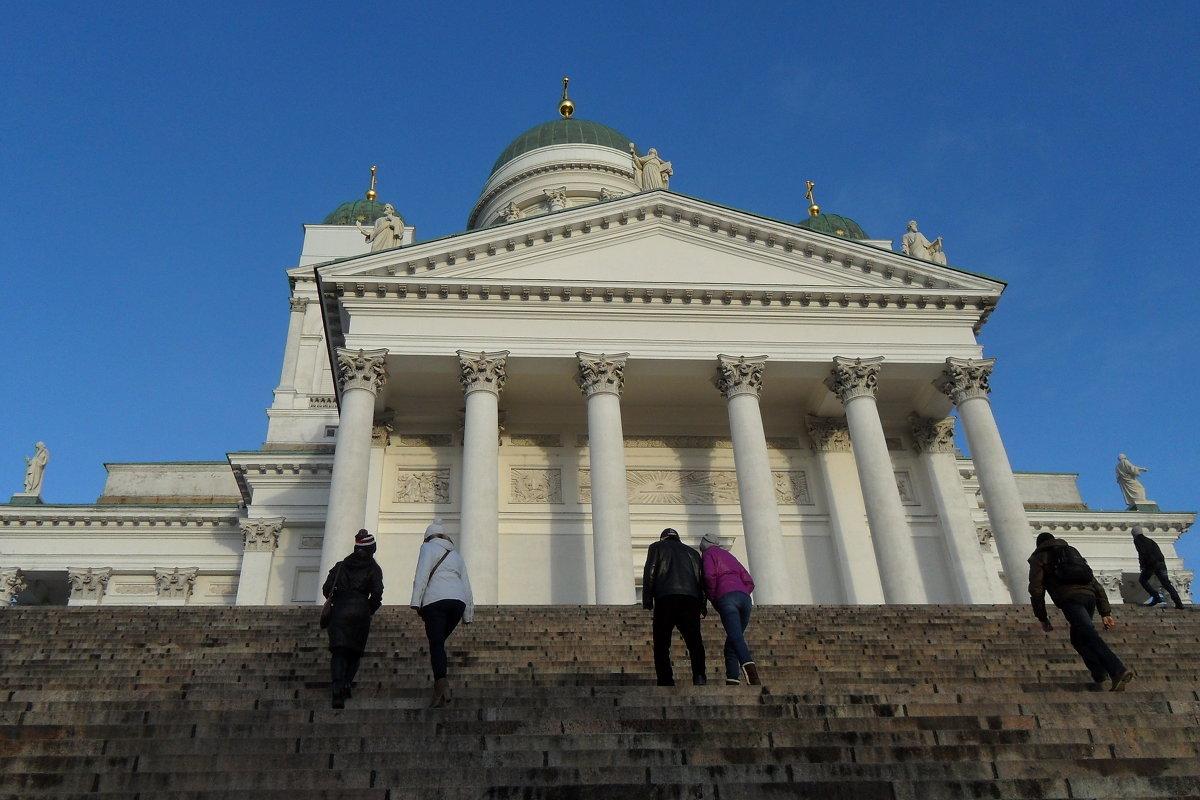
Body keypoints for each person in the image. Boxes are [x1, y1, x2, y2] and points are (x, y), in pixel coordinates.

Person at [1028, 532, 1133, 691]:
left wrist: (1042, 616)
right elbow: (1095, 583)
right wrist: (1105, 612)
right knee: (1078, 638)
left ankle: (1116, 669)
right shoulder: (1072, 552)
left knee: (1089, 634)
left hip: (1070, 599)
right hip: (1089, 597)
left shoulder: (1040, 557)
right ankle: (1099, 673)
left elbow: (1036, 589)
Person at [410, 518, 473, 708]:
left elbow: (421, 575)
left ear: (427, 537)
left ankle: (441, 684)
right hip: (458, 602)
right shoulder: (456, 555)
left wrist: (415, 603)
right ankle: (441, 680)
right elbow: (466, 585)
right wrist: (468, 614)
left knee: (435, 644)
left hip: (435, 601)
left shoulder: (427, 549)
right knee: (438, 643)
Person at [322, 529, 384, 708]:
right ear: (372, 549)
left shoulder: (340, 565)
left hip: (340, 609)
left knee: (339, 651)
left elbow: (327, 589)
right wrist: (370, 608)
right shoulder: (374, 568)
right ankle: (348, 682)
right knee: (355, 651)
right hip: (361, 610)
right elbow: (377, 593)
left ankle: (337, 687)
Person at [642, 527, 707, 686]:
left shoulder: (656, 546)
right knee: (695, 642)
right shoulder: (693, 553)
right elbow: (701, 580)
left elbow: (650, 571)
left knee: (662, 643)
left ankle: (665, 680)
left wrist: (648, 600)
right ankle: (699, 676)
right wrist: (702, 606)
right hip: (690, 599)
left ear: (662, 538)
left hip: (666, 598)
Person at [699, 532, 759, 686]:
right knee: (733, 639)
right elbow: (749, 581)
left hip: (726, 598)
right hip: (745, 599)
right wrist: (742, 593)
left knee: (736, 637)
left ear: (704, 544)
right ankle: (732, 678)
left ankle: (750, 671)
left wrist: (713, 597)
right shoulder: (729, 556)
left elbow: (708, 576)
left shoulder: (708, 555)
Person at [1132, 526, 1184, 609]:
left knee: (1143, 580)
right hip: (1161, 563)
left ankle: (1156, 596)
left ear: (1133, 534)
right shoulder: (1150, 540)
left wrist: (1142, 565)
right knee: (1166, 584)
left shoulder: (1137, 540)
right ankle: (1179, 603)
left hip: (1151, 564)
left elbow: (1142, 553)